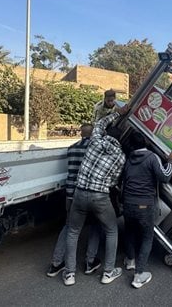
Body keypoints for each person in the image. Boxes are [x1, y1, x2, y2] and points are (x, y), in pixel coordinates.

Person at [62, 106, 128, 286]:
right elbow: (114, 181)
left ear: (107, 135)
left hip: (79, 193)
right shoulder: (121, 157)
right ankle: (108, 272)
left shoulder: (95, 140)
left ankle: (69, 274)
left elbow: (99, 123)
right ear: (119, 139)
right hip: (100, 197)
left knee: (73, 231)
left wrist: (117, 113)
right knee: (111, 230)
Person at [121, 131, 172, 288]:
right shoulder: (152, 157)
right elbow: (164, 177)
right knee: (147, 237)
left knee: (130, 232)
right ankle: (139, 275)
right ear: (145, 141)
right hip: (144, 205)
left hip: (128, 203)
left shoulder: (128, 159)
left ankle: (130, 260)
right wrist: (171, 162)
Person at [46, 124, 103, 278]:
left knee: (69, 227)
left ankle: (56, 263)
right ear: (93, 135)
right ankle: (90, 261)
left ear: (80, 134)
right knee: (95, 225)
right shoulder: (94, 150)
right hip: (87, 193)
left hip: (70, 194)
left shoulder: (71, 148)